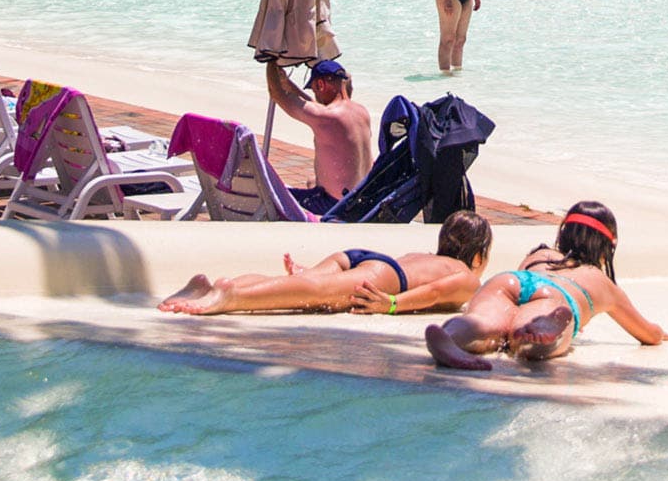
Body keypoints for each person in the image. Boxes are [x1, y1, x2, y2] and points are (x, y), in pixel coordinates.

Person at [425, 203, 668, 370]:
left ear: (563, 234)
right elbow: (648, 335)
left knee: (485, 322)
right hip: (557, 297)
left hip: (511, 281)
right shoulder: (601, 282)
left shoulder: (541, 253)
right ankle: (539, 329)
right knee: (526, 342)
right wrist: (660, 333)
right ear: (608, 245)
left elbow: (520, 295)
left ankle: (450, 335)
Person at [162, 213, 494, 316]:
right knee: (313, 292)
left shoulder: (430, 257)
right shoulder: (466, 275)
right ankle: (229, 296)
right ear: (478, 256)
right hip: (386, 277)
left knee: (296, 287)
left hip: (364, 259)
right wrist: (390, 304)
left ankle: (213, 287)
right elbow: (435, 292)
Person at [264, 57, 375, 212]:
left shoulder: (326, 117)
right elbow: (316, 107)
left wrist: (270, 58)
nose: (315, 94)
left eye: (315, 89)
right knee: (311, 181)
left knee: (269, 195)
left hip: (335, 205)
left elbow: (276, 94)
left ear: (320, 84)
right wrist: (288, 84)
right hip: (362, 201)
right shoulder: (361, 112)